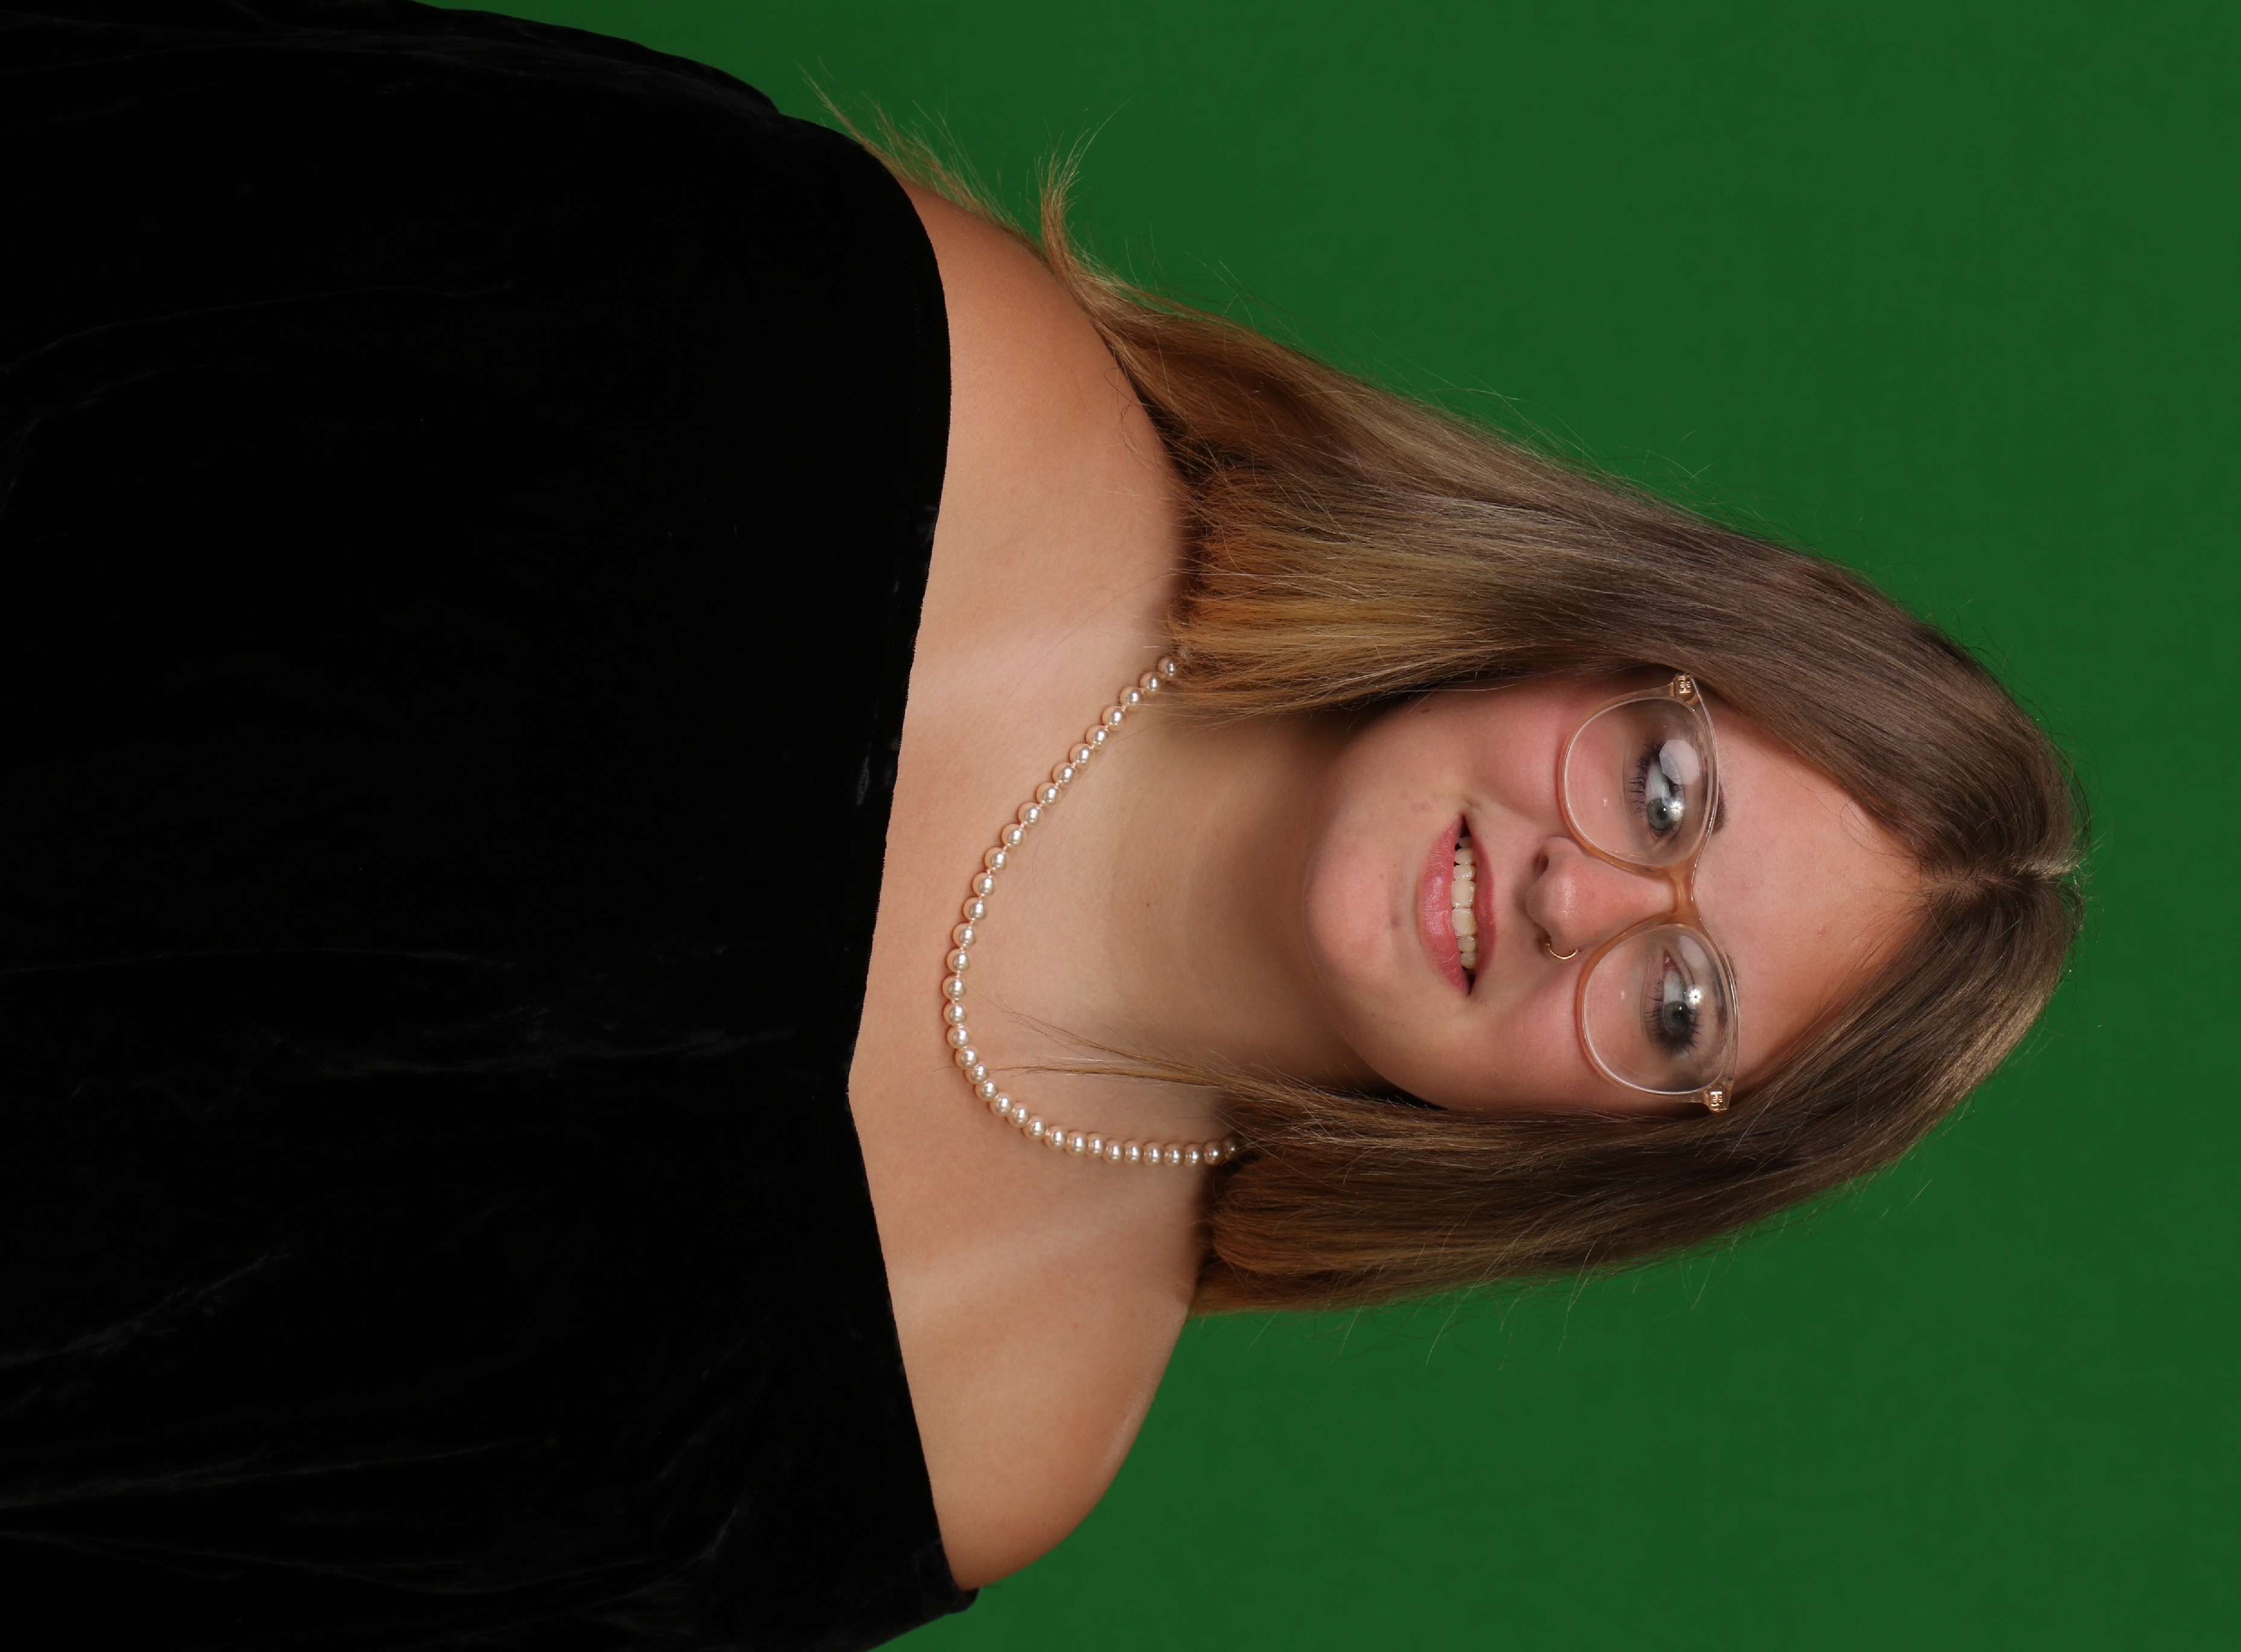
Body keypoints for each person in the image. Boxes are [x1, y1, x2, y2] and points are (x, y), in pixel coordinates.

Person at [0, 4, 2081, 1648]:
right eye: (1665, 790)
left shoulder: (988, 1427)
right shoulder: (909, 365)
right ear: (1616, 642)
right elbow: (120, 174)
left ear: (1620, 1147)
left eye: (1682, 1002)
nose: (1583, 900)